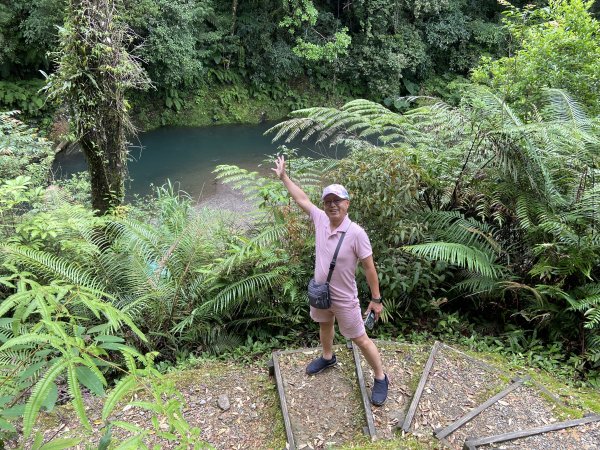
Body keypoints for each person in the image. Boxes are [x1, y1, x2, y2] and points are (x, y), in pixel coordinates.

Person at [272, 155, 389, 406]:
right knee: (324, 325)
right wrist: (284, 177)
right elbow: (301, 198)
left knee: (359, 338)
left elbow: (369, 268)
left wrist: (376, 299)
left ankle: (380, 377)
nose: (332, 205)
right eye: (328, 201)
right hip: (321, 293)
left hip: (345, 297)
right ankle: (327, 357)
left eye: (337, 200)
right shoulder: (320, 219)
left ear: (347, 203)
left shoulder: (357, 233)